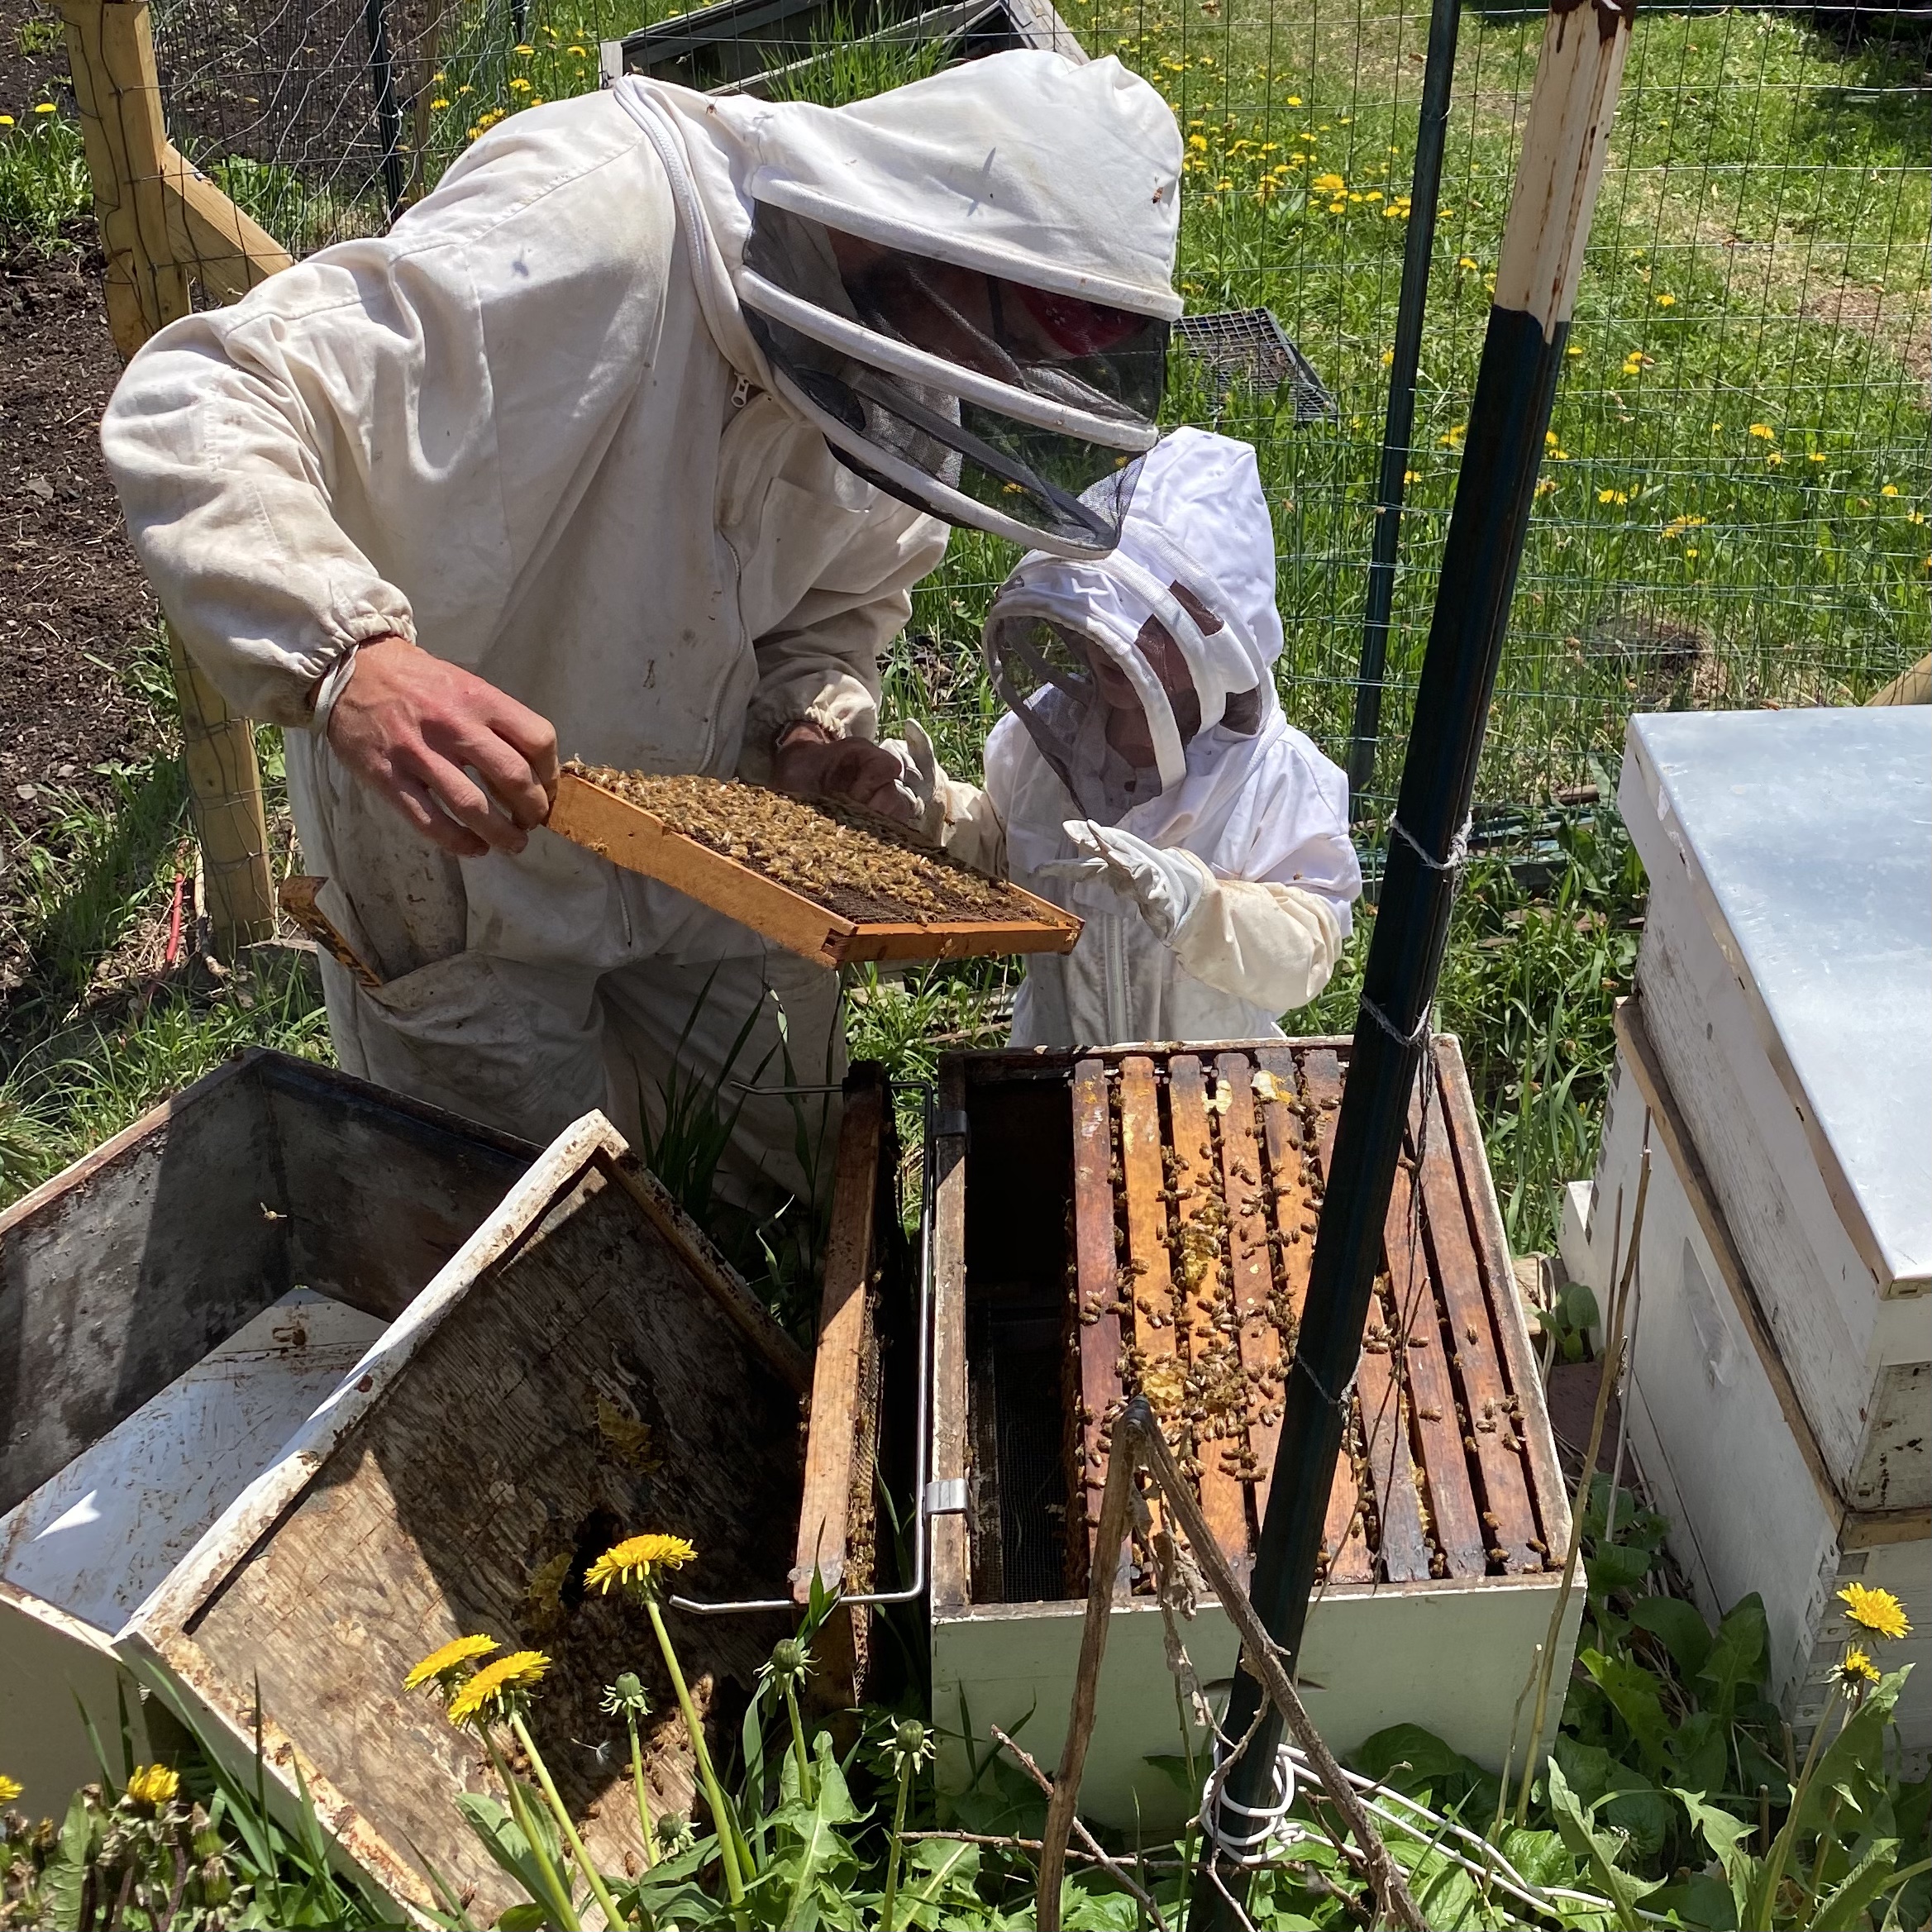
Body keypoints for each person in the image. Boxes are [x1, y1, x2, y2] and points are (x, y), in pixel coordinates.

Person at [100, 50, 1182, 1208]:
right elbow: (203, 396)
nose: (979, 378)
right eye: (991, 336)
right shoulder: (591, 220)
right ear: (931, 235)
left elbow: (839, 608)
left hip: (712, 846)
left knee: (784, 1187)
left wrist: (813, 725)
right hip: (461, 852)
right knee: (513, 1251)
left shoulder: (912, 374)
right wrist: (348, 656)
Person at [902, 427, 1361, 1047]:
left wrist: (1202, 905)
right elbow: (1010, 854)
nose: (1121, 638)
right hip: (1053, 1070)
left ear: (1219, 632)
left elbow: (1305, 950)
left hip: (1209, 1094)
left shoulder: (1277, 778)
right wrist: (937, 816)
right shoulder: (1039, 744)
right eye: (1107, 603)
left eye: (1156, 620)